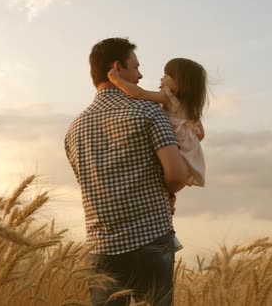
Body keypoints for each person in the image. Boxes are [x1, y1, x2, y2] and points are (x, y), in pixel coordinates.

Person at [64, 37, 189, 306]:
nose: (141, 74)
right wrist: (166, 194)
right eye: (136, 66)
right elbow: (178, 175)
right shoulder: (148, 110)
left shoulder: (74, 129)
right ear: (117, 67)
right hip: (151, 238)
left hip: (101, 247)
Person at [107, 58, 208, 252]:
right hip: (186, 152)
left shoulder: (168, 97)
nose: (162, 77)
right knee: (168, 192)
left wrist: (116, 81)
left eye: (167, 75)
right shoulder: (189, 105)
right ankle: (167, 228)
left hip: (174, 147)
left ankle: (163, 231)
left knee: (160, 183)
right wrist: (188, 146)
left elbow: (140, 93)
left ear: (179, 82)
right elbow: (201, 133)